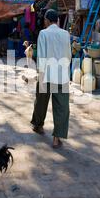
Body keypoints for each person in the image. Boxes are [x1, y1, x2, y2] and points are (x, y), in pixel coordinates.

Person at [30, 9, 71, 149]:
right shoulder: (66, 34)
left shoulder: (43, 33)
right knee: (61, 107)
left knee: (41, 101)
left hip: (46, 73)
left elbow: (41, 55)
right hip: (62, 74)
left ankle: (38, 126)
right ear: (58, 21)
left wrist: (40, 73)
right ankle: (56, 138)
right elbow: (68, 55)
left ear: (47, 20)